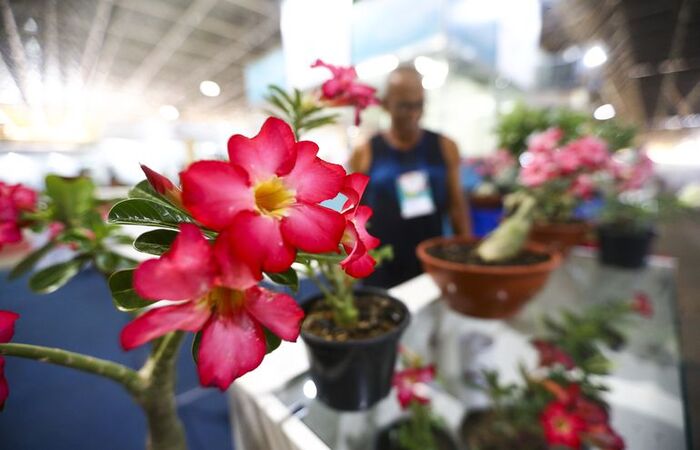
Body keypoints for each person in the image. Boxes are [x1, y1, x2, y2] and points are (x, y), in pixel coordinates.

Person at [350, 65, 472, 288]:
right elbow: (354, 213)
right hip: (381, 264)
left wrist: (467, 257)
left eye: (419, 105)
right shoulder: (365, 151)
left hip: (431, 260)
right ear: (386, 104)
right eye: (404, 106)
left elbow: (457, 206)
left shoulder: (445, 146)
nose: (413, 114)